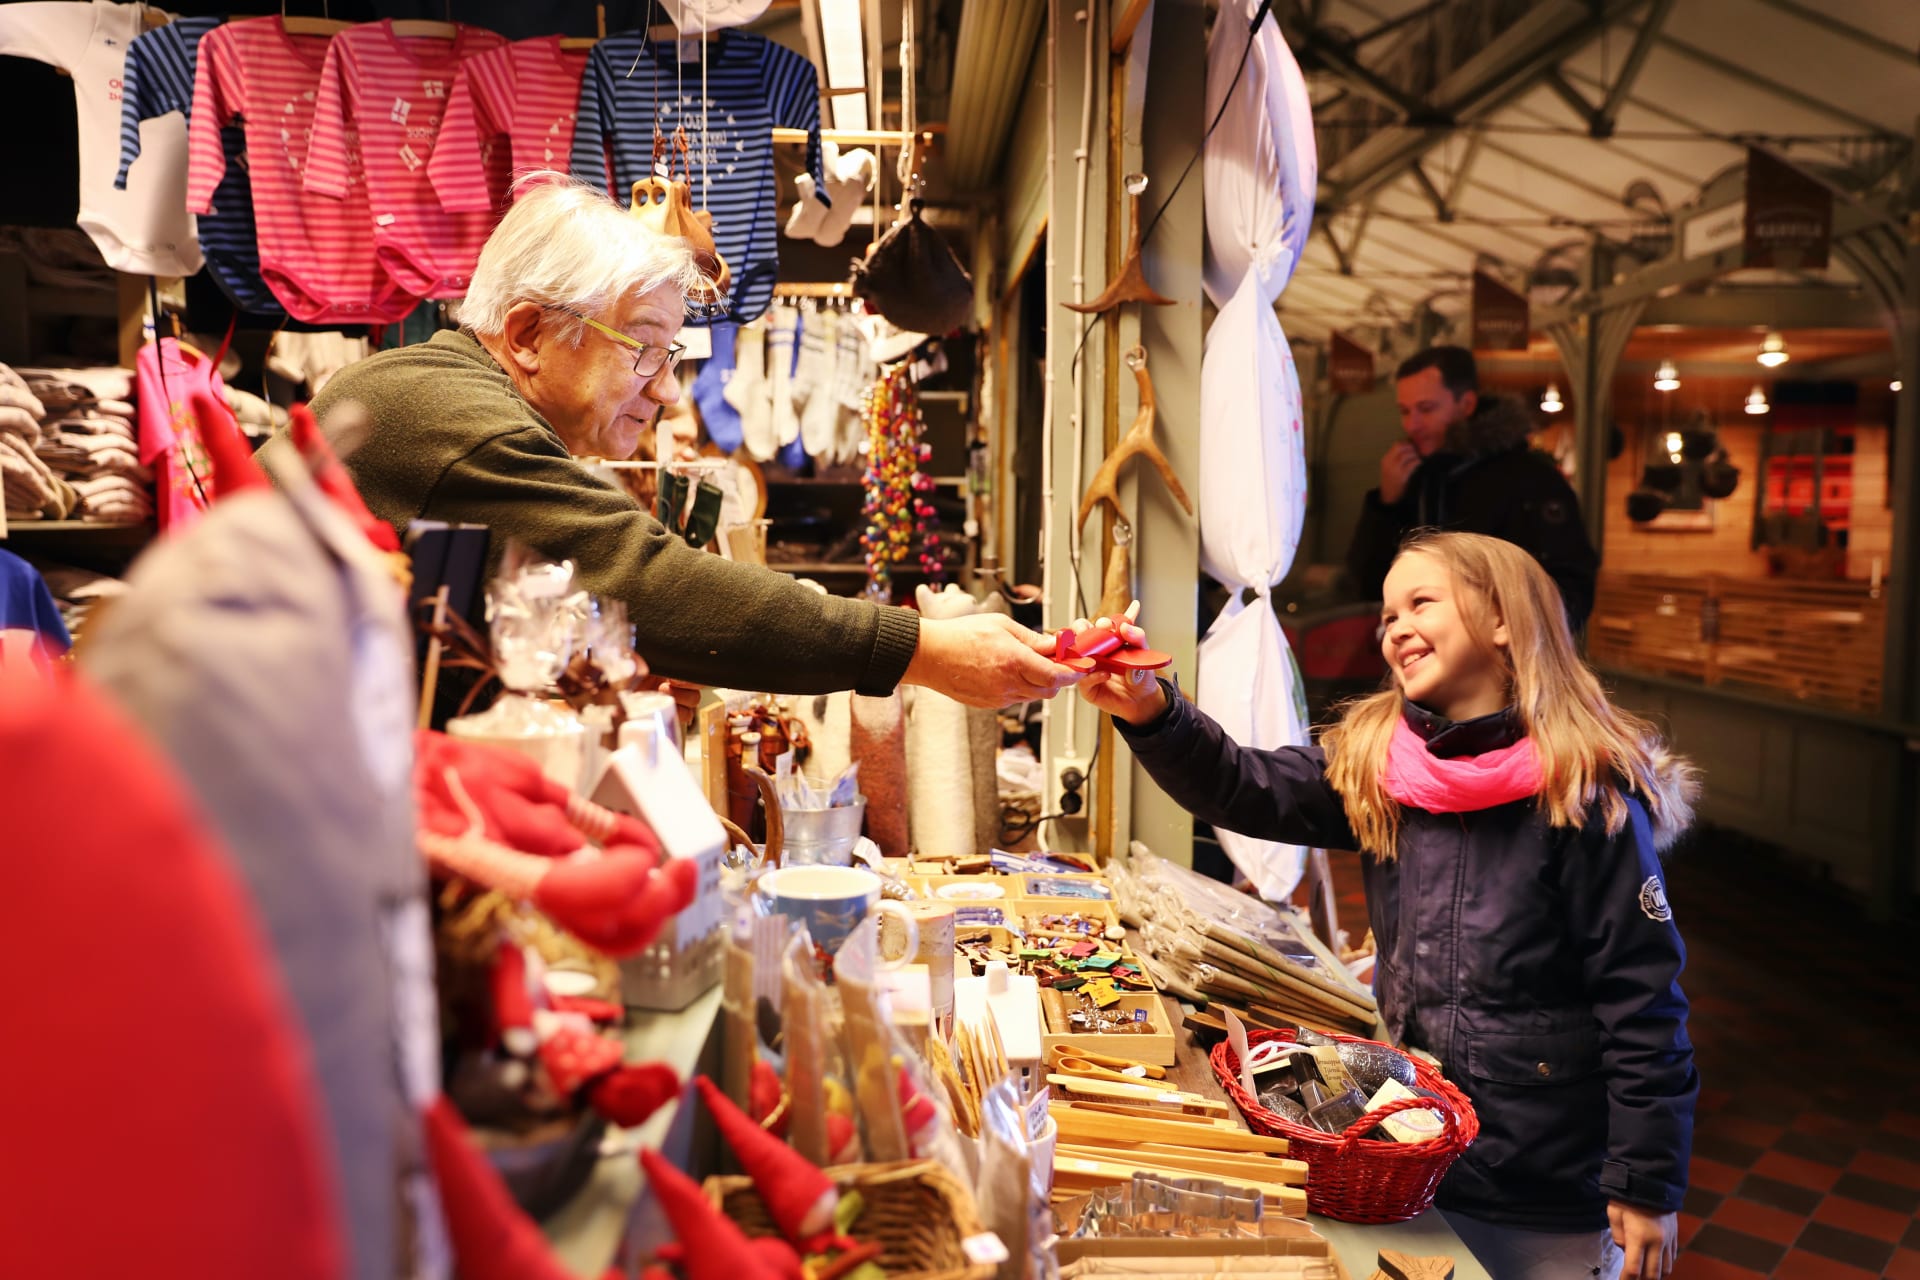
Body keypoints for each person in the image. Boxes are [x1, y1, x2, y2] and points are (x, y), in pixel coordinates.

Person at [1083, 532, 1698, 1280]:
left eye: (1421, 602)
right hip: (1415, 1154)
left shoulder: (1582, 797)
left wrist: (1644, 1184)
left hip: (1545, 1187)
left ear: (1503, 619)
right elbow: (1242, 784)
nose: (1395, 626)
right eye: (1386, 615)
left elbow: (1642, 1006)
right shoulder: (1382, 765)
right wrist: (1153, 709)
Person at [298, 172, 1077, 708]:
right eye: (642, 348)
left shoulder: (434, 390)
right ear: (530, 332)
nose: (667, 390)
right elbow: (648, 579)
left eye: (670, 358)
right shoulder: (450, 414)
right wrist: (922, 651)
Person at [1347, 346, 1598, 630]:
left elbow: (1571, 590)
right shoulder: (1414, 476)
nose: (1412, 424)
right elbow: (1367, 585)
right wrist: (1385, 503)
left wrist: (1502, 641)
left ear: (1466, 404)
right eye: (1405, 411)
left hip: (1505, 665)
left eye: (1426, 409)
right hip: (1426, 659)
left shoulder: (1530, 478)